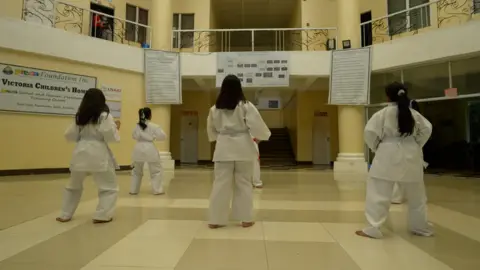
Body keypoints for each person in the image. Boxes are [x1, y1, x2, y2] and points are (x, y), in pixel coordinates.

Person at [356, 82, 433, 239]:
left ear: (387, 96)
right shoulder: (414, 114)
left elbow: (369, 133)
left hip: (387, 152)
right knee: (416, 194)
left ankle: (374, 227)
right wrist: (416, 144)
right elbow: (427, 129)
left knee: (378, 191)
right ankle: (420, 227)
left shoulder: (382, 114)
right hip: (411, 152)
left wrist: (377, 147)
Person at [207, 75, 271, 229]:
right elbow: (257, 126)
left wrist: (221, 137)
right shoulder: (246, 106)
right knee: (244, 183)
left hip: (223, 148)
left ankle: (215, 220)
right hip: (243, 147)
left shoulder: (214, 109)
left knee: (220, 183)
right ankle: (246, 219)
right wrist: (263, 136)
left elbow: (211, 131)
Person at [57, 88, 120, 224]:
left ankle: (65, 213)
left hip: (80, 151)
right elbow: (110, 135)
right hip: (98, 151)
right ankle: (102, 214)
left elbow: (69, 134)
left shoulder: (80, 116)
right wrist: (116, 128)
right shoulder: (105, 116)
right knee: (108, 186)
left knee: (73, 185)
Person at [391, 99, 429, 204]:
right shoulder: (417, 118)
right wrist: (418, 143)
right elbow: (426, 130)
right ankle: (416, 197)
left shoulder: (399, 117)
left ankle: (397, 197)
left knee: (399, 173)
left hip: (402, 148)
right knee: (415, 174)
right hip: (413, 148)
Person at [130, 107, 167, 195]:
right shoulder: (154, 126)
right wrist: (154, 137)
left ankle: (133, 190)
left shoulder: (137, 126)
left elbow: (133, 136)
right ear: (150, 115)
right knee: (156, 170)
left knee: (136, 171)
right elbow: (163, 136)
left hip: (138, 148)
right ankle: (157, 190)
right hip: (150, 148)